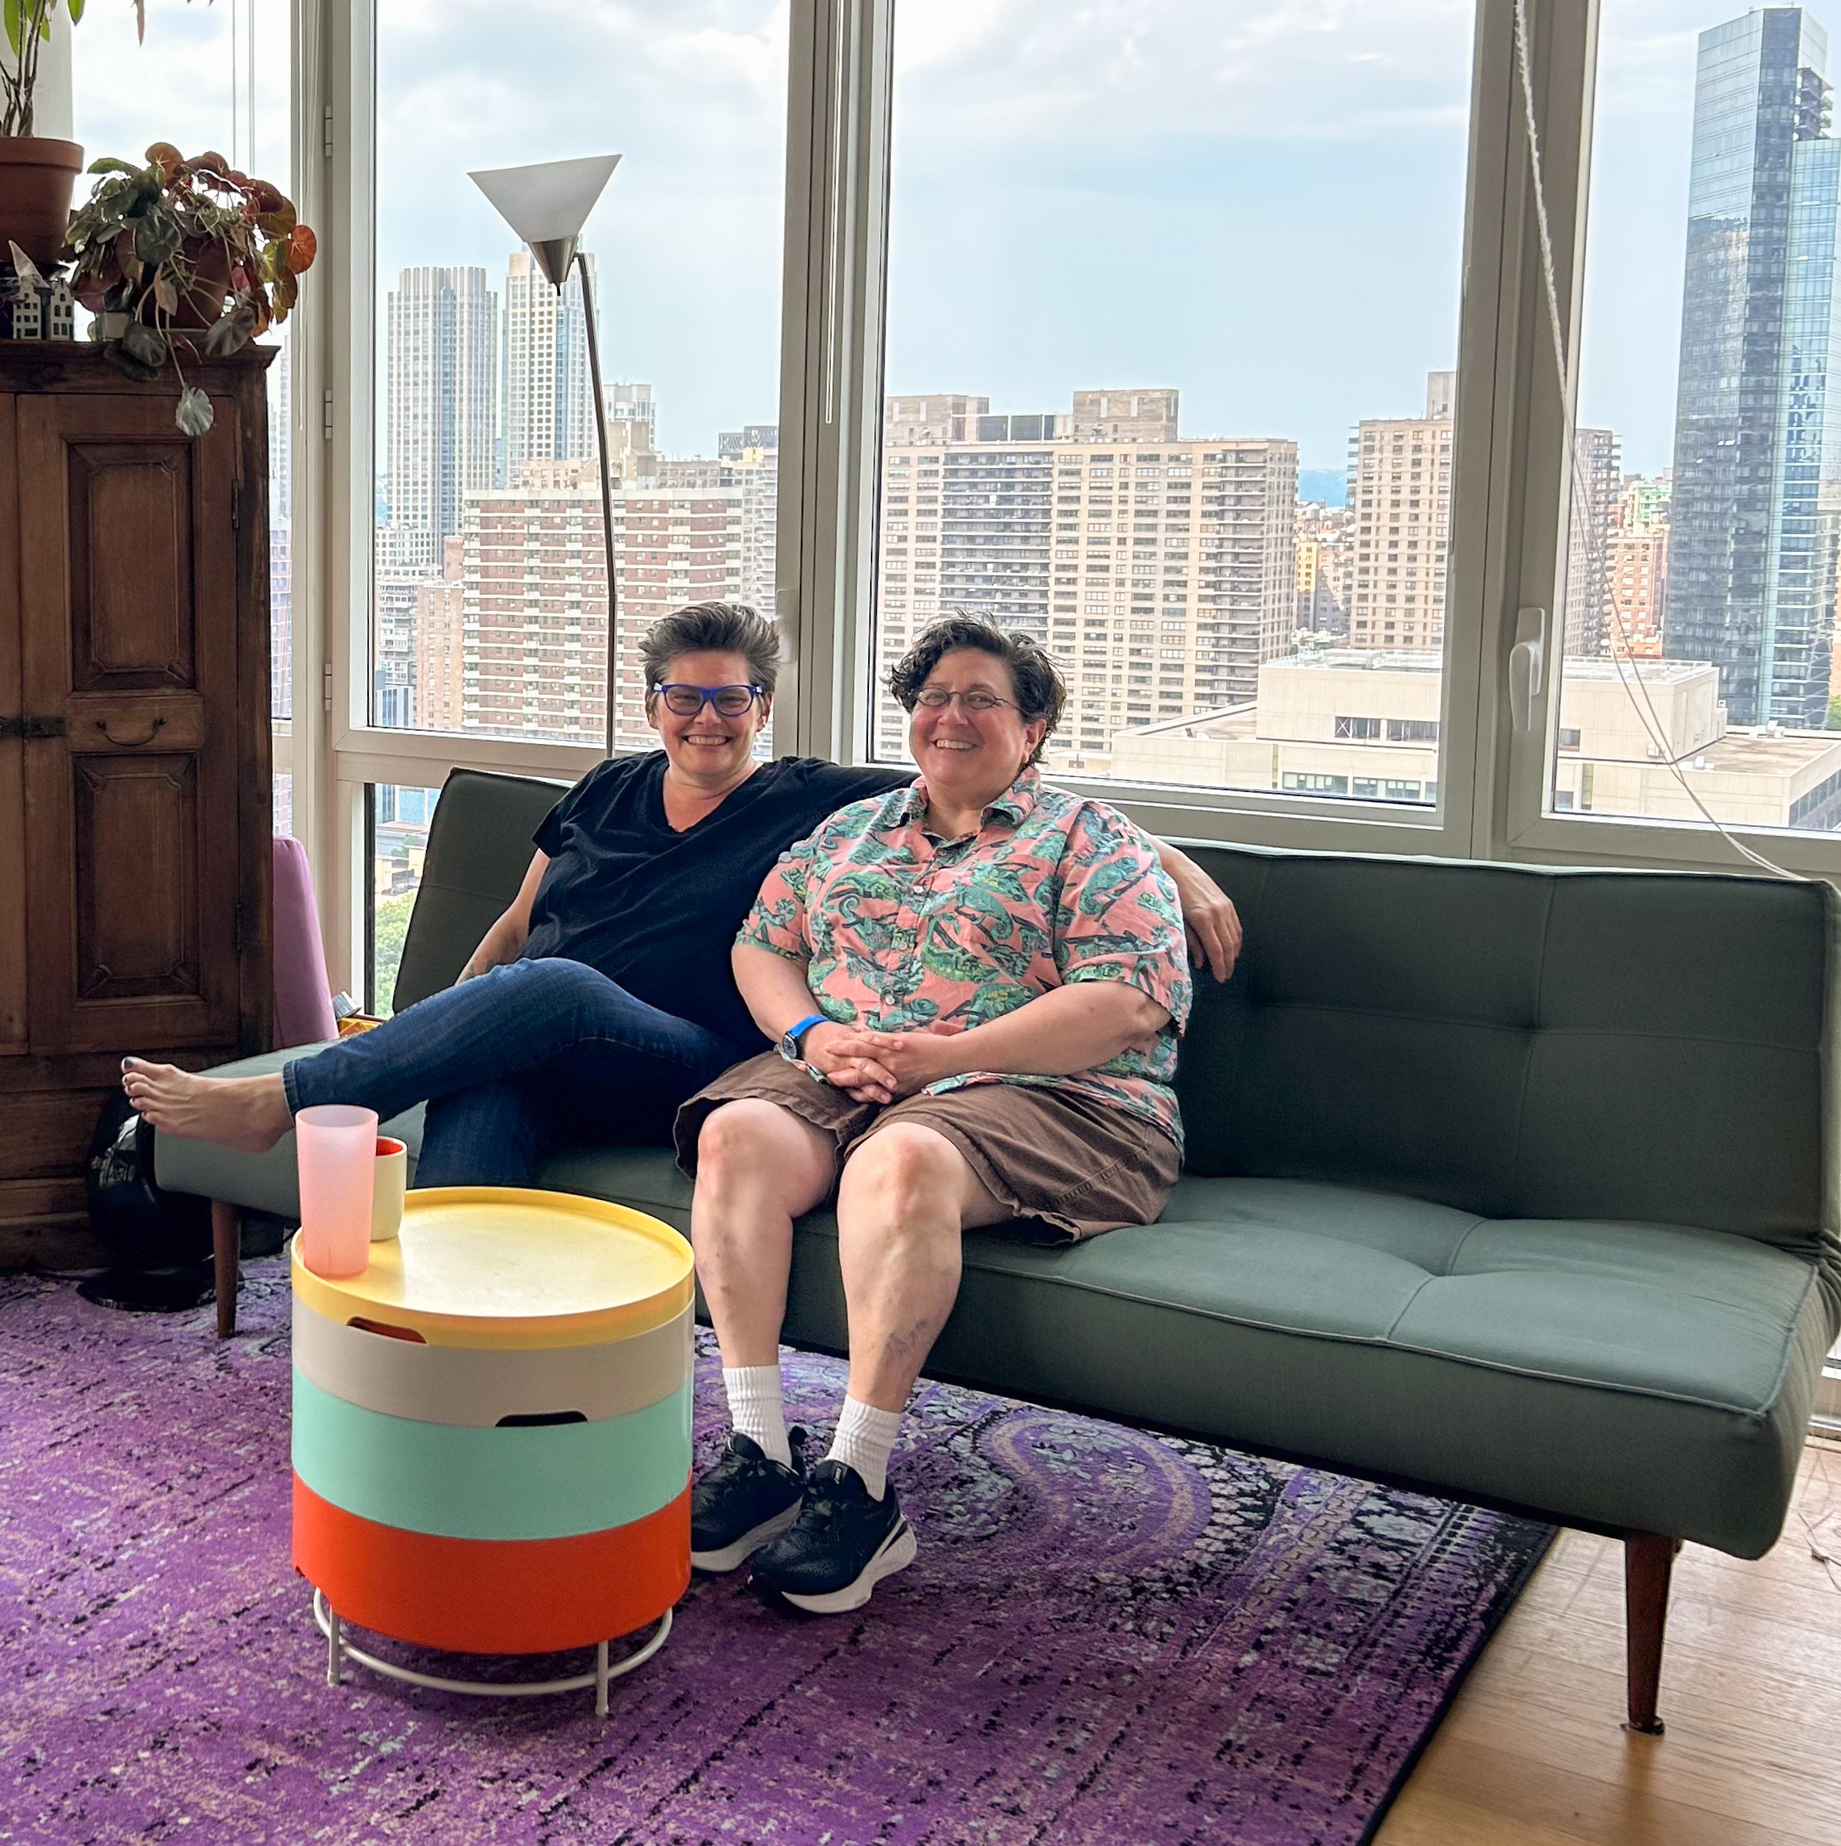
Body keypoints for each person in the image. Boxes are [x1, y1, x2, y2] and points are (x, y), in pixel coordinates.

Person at [121, 601, 1236, 1190]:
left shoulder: (813, 798)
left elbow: (980, 768)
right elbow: (512, 929)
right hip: (552, 1044)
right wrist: (430, 1040)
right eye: (683, 700)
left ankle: (286, 1100)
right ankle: (455, 1379)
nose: (708, 721)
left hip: (685, 1060)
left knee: (556, 987)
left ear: (764, 705)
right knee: (483, 1098)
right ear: (652, 704)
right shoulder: (602, 790)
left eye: (733, 700)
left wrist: (1169, 859)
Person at [682, 613, 1194, 1622]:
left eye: (980, 700)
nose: (949, 718)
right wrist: (810, 1039)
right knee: (733, 1133)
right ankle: (758, 1449)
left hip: (1056, 1096)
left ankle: (859, 1486)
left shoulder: (1095, 843)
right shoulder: (851, 832)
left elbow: (1130, 1001)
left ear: (1034, 726)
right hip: (851, 1070)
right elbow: (762, 944)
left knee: (903, 1162)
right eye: (932, 699)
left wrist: (948, 1058)